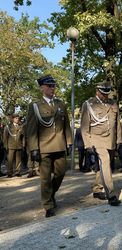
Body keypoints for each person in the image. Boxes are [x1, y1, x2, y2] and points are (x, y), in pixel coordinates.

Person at [26, 75, 72, 217]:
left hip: (59, 145)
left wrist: (69, 142)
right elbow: (31, 129)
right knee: (45, 178)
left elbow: (67, 126)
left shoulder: (61, 104)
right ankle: (48, 205)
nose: (53, 88)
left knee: (61, 172)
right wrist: (34, 149)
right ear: (42, 88)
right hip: (44, 147)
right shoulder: (34, 106)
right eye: (49, 86)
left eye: (54, 85)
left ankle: (50, 194)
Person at [80, 81, 121, 206]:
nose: (105, 96)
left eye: (107, 93)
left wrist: (119, 140)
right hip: (96, 138)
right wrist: (88, 145)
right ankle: (111, 194)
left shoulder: (113, 103)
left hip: (110, 139)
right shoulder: (88, 104)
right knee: (105, 161)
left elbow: (117, 124)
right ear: (97, 91)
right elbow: (84, 127)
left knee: (104, 165)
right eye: (103, 93)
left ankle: (97, 189)